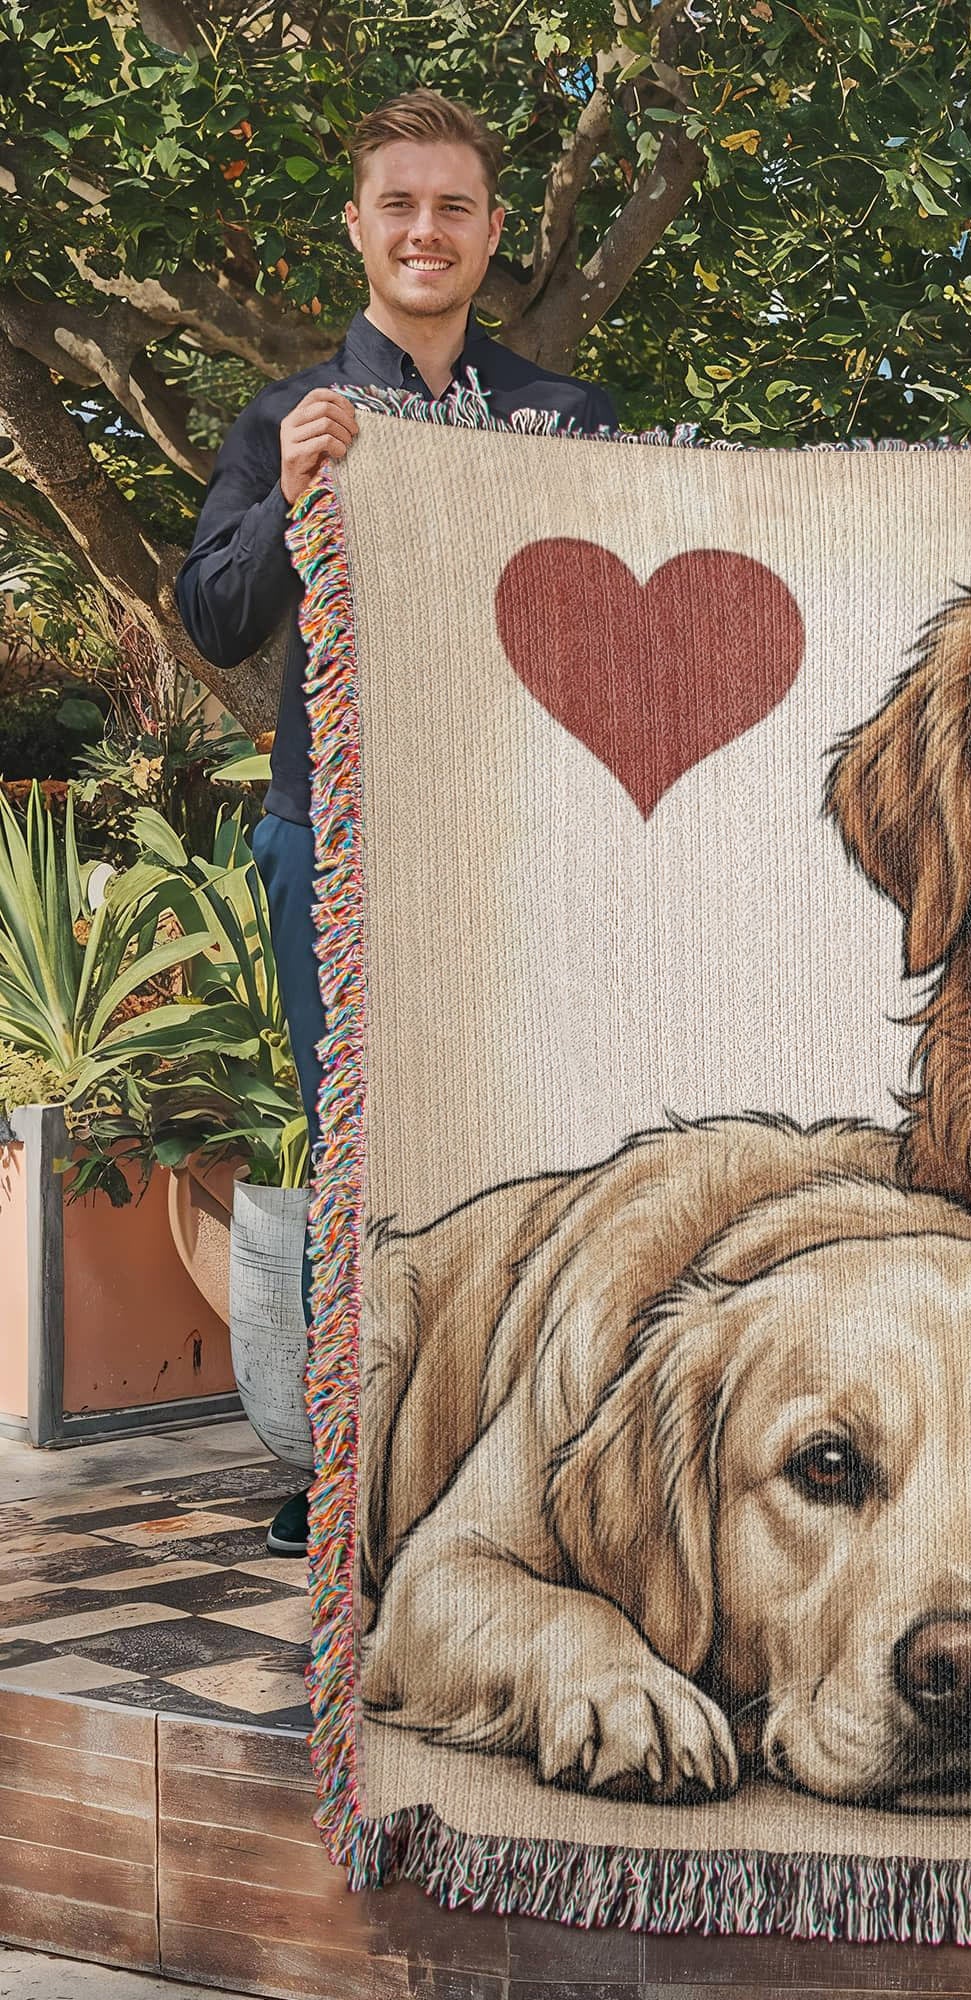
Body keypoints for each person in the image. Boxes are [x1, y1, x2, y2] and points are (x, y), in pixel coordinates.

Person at [176, 90, 615, 1557]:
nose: (425, 232)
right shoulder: (293, 417)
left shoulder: (565, 425)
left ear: (492, 234)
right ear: (359, 227)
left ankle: (513, 1461)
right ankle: (351, 1465)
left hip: (511, 846)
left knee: (522, 1140)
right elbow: (216, 619)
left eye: (453, 208)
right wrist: (290, 495)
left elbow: (618, 640)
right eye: (399, 206)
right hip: (338, 837)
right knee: (356, 1147)